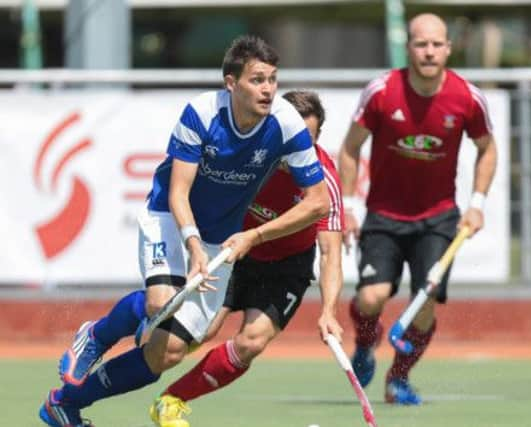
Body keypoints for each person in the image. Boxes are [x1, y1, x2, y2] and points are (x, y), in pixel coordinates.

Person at [39, 35, 331, 427]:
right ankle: (96, 335)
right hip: (169, 216)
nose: (268, 89)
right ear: (231, 83)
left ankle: (65, 404)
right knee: (161, 300)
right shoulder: (201, 112)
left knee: (169, 351)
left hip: (222, 236)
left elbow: (318, 203)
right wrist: (193, 244)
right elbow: (178, 191)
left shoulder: (287, 123)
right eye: (257, 80)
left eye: (273, 79)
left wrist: (253, 236)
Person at [147, 89, 345, 427]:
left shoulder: (321, 182)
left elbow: (330, 252)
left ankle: (172, 400)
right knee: (185, 341)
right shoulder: (250, 156)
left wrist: (328, 311)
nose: (294, 152)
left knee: (251, 342)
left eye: (306, 140)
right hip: (232, 251)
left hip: (287, 265)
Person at [338, 13, 497, 405]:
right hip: (383, 216)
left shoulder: (467, 98)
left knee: (423, 303)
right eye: (420, 44)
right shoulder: (381, 91)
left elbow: (487, 149)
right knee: (371, 299)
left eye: (436, 44)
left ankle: (399, 379)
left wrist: (476, 204)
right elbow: (349, 148)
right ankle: (365, 340)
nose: (428, 51)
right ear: (408, 47)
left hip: (439, 220)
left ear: (448, 48)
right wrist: (350, 207)